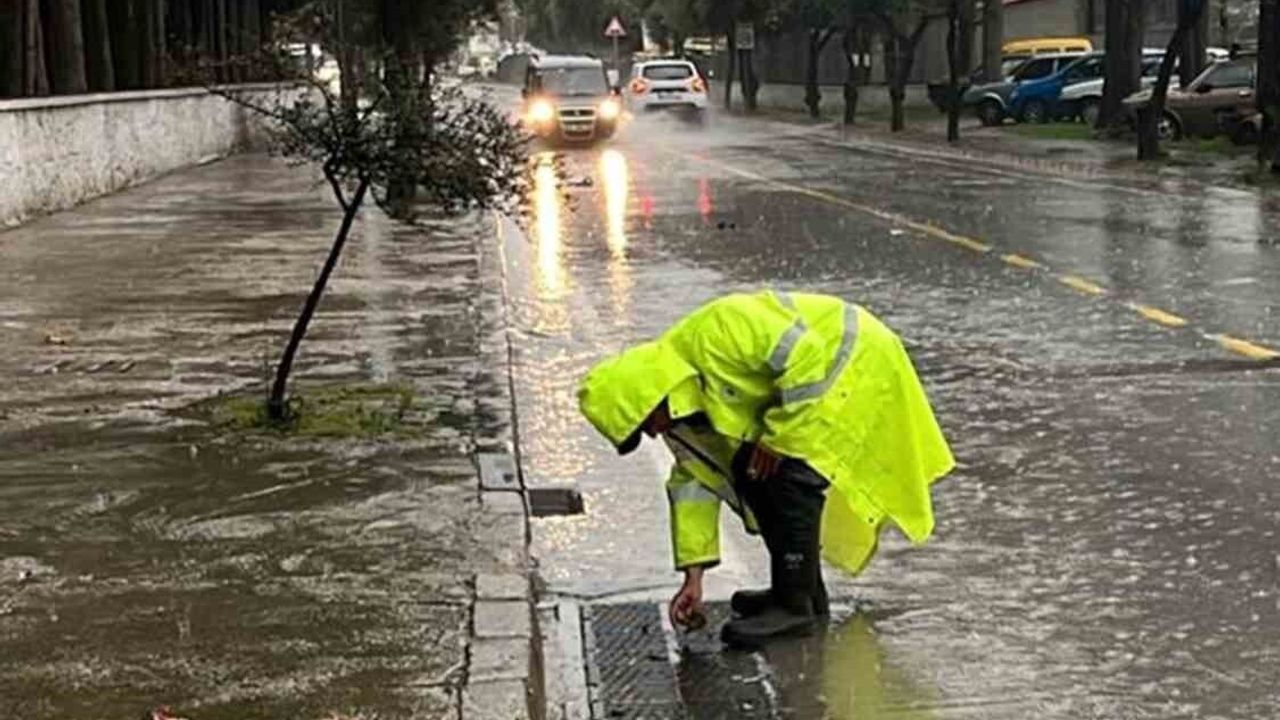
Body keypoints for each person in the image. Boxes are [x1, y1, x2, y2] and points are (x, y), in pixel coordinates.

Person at [578, 290, 954, 648]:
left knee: (788, 472)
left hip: (857, 362)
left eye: (647, 423)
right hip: (826, 379)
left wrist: (780, 438)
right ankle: (800, 592)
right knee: (754, 472)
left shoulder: (718, 331)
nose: (654, 432)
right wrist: (694, 579)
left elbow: (808, 355)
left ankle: (793, 608)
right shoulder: (685, 413)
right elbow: (695, 486)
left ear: (652, 395)